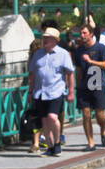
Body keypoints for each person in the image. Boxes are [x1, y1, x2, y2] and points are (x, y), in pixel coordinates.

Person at [28, 26, 74, 156]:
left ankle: (58, 142)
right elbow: (32, 74)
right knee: (44, 121)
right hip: (40, 92)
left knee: (52, 117)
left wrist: (71, 92)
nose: (45, 40)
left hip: (56, 91)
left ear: (55, 40)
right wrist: (30, 92)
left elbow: (70, 73)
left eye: (47, 38)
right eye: (44, 38)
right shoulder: (38, 54)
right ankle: (50, 147)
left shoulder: (63, 54)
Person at [74, 24, 105, 150]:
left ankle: (103, 129)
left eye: (84, 33)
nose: (82, 36)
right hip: (84, 87)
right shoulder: (79, 50)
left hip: (97, 85)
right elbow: (78, 69)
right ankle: (91, 142)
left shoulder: (100, 48)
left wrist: (91, 61)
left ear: (91, 34)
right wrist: (76, 86)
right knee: (86, 114)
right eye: (81, 33)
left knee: (100, 114)